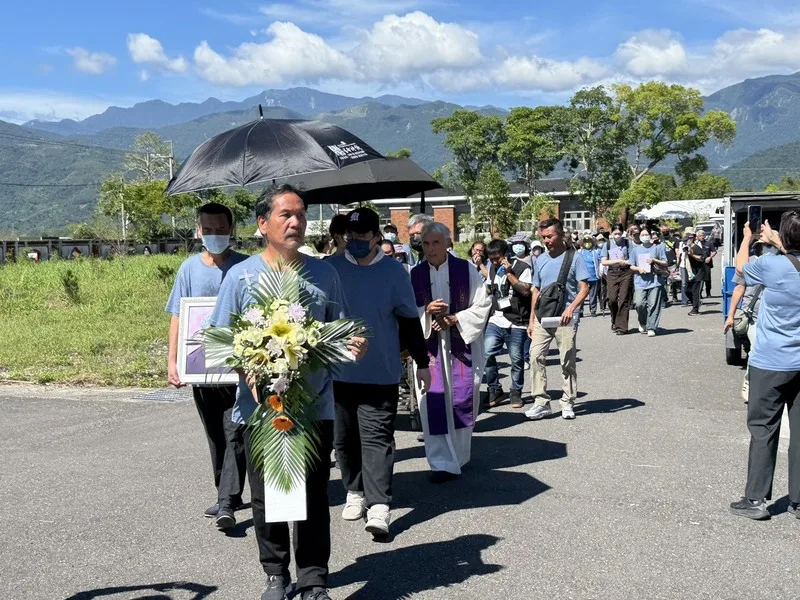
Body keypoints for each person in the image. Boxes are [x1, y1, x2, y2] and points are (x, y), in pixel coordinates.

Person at [209, 184, 367, 600]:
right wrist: (248, 366)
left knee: (314, 497)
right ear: (263, 224)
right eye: (285, 214)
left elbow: (342, 328)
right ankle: (276, 574)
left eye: (300, 213)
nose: (295, 221)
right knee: (268, 496)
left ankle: (314, 579)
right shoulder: (241, 277)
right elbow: (219, 339)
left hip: (314, 407)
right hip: (261, 411)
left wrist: (355, 342)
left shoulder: (324, 274)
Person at [327, 208, 430, 538]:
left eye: (362, 237)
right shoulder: (330, 269)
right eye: (350, 237)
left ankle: (379, 503)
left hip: (380, 372)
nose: (355, 242)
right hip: (337, 372)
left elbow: (410, 321)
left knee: (377, 439)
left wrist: (423, 362)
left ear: (377, 238)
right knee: (344, 440)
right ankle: (354, 491)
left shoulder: (393, 272)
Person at [165, 203, 249, 530]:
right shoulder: (188, 269)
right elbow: (177, 316)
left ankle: (227, 501)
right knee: (216, 434)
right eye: (208, 229)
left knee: (235, 431)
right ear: (198, 230)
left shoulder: (246, 266)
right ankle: (225, 490)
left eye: (221, 229)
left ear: (232, 230)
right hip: (201, 370)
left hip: (239, 369)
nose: (215, 235)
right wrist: (172, 361)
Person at [729, 213, 800, 521]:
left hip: (771, 361)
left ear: (782, 237)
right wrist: (779, 242)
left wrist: (748, 238)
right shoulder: (784, 261)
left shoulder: (773, 265)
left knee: (763, 430)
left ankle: (756, 499)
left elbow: (741, 268)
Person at [410, 222, 492, 482]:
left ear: (448, 242)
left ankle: (459, 456)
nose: (431, 248)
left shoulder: (465, 270)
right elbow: (404, 312)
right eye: (426, 244)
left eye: (436, 243)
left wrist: (456, 318)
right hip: (429, 351)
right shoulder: (414, 273)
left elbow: (483, 304)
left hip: (461, 347)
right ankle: (440, 463)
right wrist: (425, 312)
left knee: (461, 398)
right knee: (431, 401)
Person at [526, 218, 590, 421]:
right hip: (542, 317)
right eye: (543, 237)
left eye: (550, 236)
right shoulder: (539, 259)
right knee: (535, 357)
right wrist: (530, 320)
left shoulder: (574, 257)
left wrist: (571, 309)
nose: (546, 241)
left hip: (565, 319)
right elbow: (535, 290)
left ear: (561, 235)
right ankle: (541, 402)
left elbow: (584, 288)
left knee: (567, 361)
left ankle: (568, 401)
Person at [483, 239, 532, 409]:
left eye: (497, 259)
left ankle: (516, 391)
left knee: (517, 359)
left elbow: (526, 291)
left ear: (506, 255)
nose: (495, 262)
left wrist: (509, 273)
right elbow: (490, 289)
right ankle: (495, 389)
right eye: (491, 259)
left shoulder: (523, 268)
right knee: (486, 353)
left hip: (517, 321)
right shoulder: (492, 268)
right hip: (496, 319)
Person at [724, 240, 769, 402]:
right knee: (757, 349)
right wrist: (731, 315)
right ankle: (751, 381)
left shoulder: (784, 262)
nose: (765, 247)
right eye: (762, 244)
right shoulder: (748, 263)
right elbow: (739, 288)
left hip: (775, 317)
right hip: (754, 316)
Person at [628, 228, 668, 336]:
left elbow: (665, 262)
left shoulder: (657, 248)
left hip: (655, 280)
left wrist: (654, 260)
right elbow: (631, 265)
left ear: (650, 236)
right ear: (640, 237)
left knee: (654, 304)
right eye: (643, 234)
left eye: (646, 234)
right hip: (640, 281)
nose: (645, 236)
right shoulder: (635, 250)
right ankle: (643, 322)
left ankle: (651, 327)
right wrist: (638, 269)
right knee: (639, 303)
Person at [601, 225, 634, 335]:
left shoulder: (628, 243)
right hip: (612, 272)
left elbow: (633, 258)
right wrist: (616, 261)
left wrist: (626, 261)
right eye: (615, 233)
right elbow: (604, 261)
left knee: (624, 298)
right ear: (611, 234)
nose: (617, 235)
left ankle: (622, 327)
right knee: (612, 299)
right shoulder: (608, 244)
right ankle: (614, 319)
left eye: (619, 233)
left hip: (625, 272)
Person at [687, 231, 709, 316]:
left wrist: (692, 255)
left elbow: (702, 258)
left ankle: (695, 309)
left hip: (699, 272)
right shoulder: (686, 248)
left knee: (695, 291)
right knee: (687, 290)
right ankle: (696, 303)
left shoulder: (696, 248)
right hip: (691, 272)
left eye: (688, 240)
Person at [579, 234, 600, 317]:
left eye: (589, 241)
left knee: (593, 295)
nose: (587, 243)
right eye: (585, 241)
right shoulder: (580, 252)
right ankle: (580, 310)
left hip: (593, 276)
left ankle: (593, 310)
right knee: (581, 294)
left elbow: (600, 261)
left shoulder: (595, 252)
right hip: (582, 277)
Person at [699, 229, 717, 298]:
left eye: (703, 235)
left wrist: (710, 257)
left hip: (707, 263)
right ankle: (699, 293)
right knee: (700, 279)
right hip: (699, 263)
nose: (702, 237)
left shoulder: (709, 243)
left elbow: (714, 251)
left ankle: (708, 293)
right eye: (700, 235)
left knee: (707, 279)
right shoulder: (697, 244)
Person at [595, 233, 608, 316]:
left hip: (606, 267)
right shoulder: (595, 250)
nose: (601, 242)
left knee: (606, 288)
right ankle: (602, 305)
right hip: (599, 268)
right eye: (599, 241)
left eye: (602, 240)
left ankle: (606, 303)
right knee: (601, 289)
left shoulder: (607, 247)